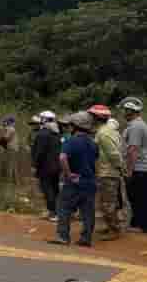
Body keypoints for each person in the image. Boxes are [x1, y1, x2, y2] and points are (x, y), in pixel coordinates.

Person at [52, 111, 99, 247]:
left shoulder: (71, 141)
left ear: (74, 126)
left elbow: (62, 157)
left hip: (75, 181)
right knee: (88, 211)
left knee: (64, 207)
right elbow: (95, 160)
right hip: (89, 181)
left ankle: (63, 236)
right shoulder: (93, 143)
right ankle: (86, 238)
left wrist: (68, 174)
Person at [89, 104, 125, 240]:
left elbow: (113, 154)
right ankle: (111, 226)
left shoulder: (103, 133)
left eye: (91, 116)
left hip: (107, 172)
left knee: (107, 202)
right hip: (109, 171)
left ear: (96, 118)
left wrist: (120, 167)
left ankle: (114, 229)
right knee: (108, 201)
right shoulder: (110, 131)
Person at [120, 97, 147, 233]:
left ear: (131, 111)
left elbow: (133, 150)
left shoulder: (136, 126)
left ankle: (141, 225)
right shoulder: (137, 125)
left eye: (125, 110)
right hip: (139, 167)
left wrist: (129, 171)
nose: (124, 112)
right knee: (137, 197)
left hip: (138, 168)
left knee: (138, 197)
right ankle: (136, 223)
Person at [32, 112, 61, 222]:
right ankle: (56, 212)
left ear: (43, 120)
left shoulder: (42, 134)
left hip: (45, 167)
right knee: (55, 189)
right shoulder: (57, 133)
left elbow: (39, 152)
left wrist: (34, 165)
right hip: (56, 166)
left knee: (47, 189)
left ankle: (52, 212)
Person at [0, 116, 19, 184]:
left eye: (6, 122)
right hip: (13, 148)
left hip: (11, 148)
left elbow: (6, 138)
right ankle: (16, 181)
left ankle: (8, 181)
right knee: (13, 165)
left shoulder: (10, 129)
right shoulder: (11, 128)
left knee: (10, 165)